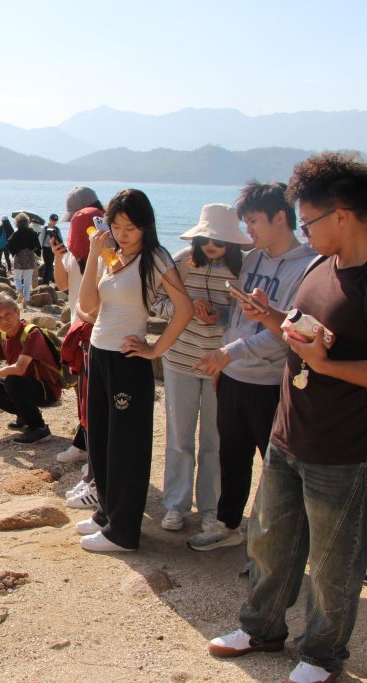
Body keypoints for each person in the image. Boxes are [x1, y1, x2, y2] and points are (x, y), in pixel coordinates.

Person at [207, 152, 367, 683]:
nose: (303, 232)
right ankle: (262, 627)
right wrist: (272, 317)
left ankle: (323, 655)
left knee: (334, 561)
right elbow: (304, 329)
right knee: (269, 542)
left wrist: (330, 365)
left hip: (350, 448)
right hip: (291, 433)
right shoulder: (317, 266)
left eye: (307, 222)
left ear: (342, 215)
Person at [188, 182, 316, 551]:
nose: (248, 230)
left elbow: (288, 333)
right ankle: (228, 525)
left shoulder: (308, 266)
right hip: (234, 376)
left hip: (271, 383)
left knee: (277, 469)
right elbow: (245, 316)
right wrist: (222, 323)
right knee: (231, 456)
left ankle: (280, 547)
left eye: (254, 221)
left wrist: (228, 353)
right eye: (246, 222)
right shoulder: (253, 258)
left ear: (281, 218)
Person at [75, 189, 193, 552]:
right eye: (117, 226)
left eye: (131, 227)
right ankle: (107, 514)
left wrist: (155, 349)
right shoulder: (111, 255)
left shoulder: (155, 257)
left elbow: (184, 308)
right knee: (100, 440)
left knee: (126, 447)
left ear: (145, 226)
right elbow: (87, 305)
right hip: (100, 353)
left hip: (128, 360)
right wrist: (94, 253)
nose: (123, 234)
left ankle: (124, 532)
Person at [151, 204, 247, 533]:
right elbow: (157, 301)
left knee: (214, 441)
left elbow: (249, 316)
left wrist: (221, 316)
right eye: (205, 239)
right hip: (180, 360)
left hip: (223, 365)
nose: (211, 246)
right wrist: (187, 309)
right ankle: (175, 505)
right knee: (179, 439)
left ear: (232, 242)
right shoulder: (181, 262)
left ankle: (211, 508)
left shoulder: (244, 268)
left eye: (219, 240)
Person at [53, 187, 106, 476]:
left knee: (93, 393)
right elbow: (62, 285)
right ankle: (83, 443)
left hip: (100, 330)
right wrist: (56, 256)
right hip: (79, 327)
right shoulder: (75, 250)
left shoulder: (108, 248)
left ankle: (92, 450)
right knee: (83, 391)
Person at [0, 293, 61, 444]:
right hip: (25, 385)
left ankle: (39, 428)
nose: (4, 321)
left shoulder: (32, 333)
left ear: (18, 312)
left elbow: (20, 368)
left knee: (13, 380)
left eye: (8, 314)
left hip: (47, 390)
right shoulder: (1, 337)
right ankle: (25, 414)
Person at [8, 213, 41, 304]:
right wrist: (35, 251)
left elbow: (9, 244)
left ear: (17, 223)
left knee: (17, 278)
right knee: (28, 281)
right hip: (30, 258)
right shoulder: (33, 233)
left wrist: (14, 252)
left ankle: (19, 292)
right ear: (27, 222)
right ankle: (25, 302)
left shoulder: (16, 234)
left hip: (19, 258)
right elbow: (38, 247)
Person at [40, 214, 60, 285]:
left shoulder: (57, 229)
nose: (54, 222)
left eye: (56, 221)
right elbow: (41, 239)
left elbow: (60, 240)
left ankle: (46, 282)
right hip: (45, 248)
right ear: (50, 220)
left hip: (53, 249)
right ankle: (46, 282)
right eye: (53, 220)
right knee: (47, 265)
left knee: (49, 265)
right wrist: (40, 249)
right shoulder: (44, 228)